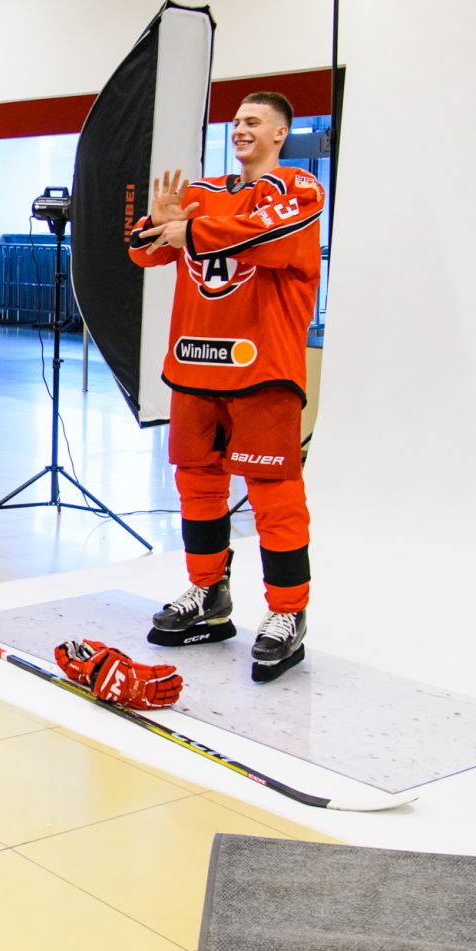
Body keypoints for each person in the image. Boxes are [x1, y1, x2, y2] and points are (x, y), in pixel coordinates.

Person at [129, 92, 324, 683]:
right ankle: (208, 592)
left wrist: (184, 229)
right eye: (236, 121)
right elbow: (143, 253)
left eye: (253, 122)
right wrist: (157, 224)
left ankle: (288, 613)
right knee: (196, 486)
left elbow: (261, 237)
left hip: (262, 370)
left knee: (274, 496)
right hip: (194, 366)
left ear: (280, 133)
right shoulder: (204, 192)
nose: (240, 129)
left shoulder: (299, 189)